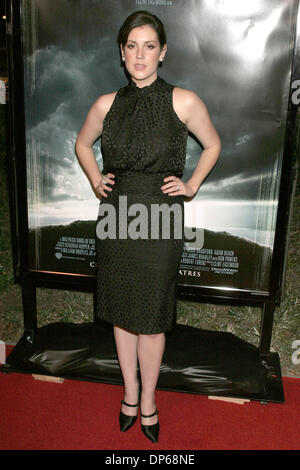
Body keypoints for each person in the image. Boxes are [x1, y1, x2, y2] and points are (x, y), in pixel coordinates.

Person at [75, 10, 221, 443]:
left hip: (160, 218)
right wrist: (94, 177)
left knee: (152, 317)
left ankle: (151, 399)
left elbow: (213, 144)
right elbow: (83, 143)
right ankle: (130, 394)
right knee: (122, 312)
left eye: (150, 45)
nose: (140, 55)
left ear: (163, 52)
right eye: (132, 46)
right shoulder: (106, 104)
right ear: (122, 53)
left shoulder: (185, 100)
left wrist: (192, 185)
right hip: (117, 218)